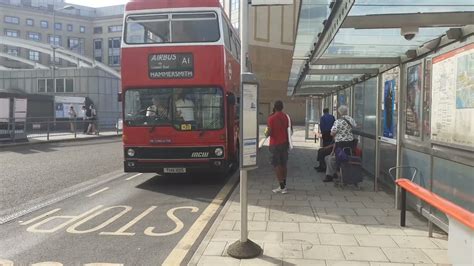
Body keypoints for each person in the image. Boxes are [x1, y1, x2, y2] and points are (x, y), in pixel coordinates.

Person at [323, 105, 357, 182]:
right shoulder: (351, 119)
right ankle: (333, 173)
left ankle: (329, 176)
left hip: (340, 146)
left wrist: (338, 134)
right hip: (350, 144)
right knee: (329, 158)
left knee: (329, 158)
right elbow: (355, 126)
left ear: (339, 112)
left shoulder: (338, 121)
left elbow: (332, 133)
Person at [266, 100, 290, 194]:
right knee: (284, 164)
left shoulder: (271, 118)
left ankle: (282, 187)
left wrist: (266, 134)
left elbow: (269, 132)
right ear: (282, 107)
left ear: (275, 107)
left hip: (275, 144)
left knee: (277, 164)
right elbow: (289, 129)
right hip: (284, 143)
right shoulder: (286, 117)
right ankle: (284, 184)